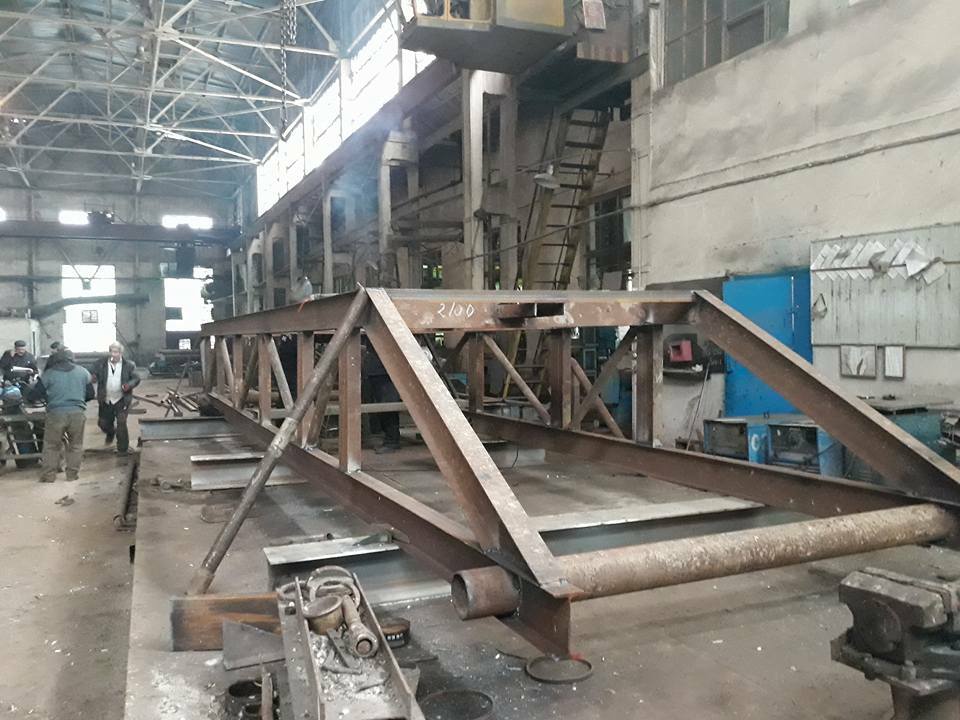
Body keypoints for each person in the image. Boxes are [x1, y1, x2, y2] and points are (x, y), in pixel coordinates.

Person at [30, 348, 92, 483]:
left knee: (51, 445)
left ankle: (49, 476)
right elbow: (91, 394)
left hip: (55, 414)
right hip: (77, 413)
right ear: (72, 359)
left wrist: (49, 397)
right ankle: (72, 475)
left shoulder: (49, 374)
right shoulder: (83, 372)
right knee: (76, 445)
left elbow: (34, 395)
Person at [91, 342, 140, 454]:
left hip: (122, 399)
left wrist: (129, 385)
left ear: (121, 353)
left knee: (121, 423)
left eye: (116, 352)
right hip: (106, 399)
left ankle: (123, 449)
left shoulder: (129, 365)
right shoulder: (101, 364)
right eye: (112, 352)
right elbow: (92, 372)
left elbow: (136, 378)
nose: (114, 354)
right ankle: (111, 432)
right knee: (103, 423)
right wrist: (93, 376)